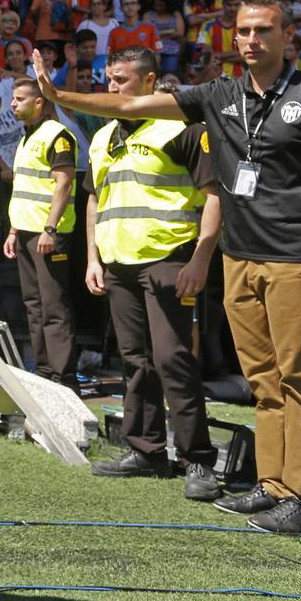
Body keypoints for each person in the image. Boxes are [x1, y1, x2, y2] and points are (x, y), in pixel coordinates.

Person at [33, 0, 301, 534]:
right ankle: (275, 485)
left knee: (299, 378)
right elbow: (129, 107)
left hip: (295, 258)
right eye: (243, 31)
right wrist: (59, 93)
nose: (252, 40)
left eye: (263, 30)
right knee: (263, 379)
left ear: (287, 37)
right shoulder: (220, 94)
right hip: (240, 257)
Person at [85, 46, 222, 499]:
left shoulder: (182, 127)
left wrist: (200, 259)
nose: (112, 87)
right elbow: (94, 199)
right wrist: (92, 258)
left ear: (148, 83)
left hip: (169, 260)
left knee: (172, 359)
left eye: (121, 80)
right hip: (118, 263)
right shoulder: (102, 136)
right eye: (109, 78)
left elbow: (214, 195)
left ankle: (198, 460)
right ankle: (146, 451)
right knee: (134, 361)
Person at [2, 78, 79, 387]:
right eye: (13, 98)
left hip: (48, 234)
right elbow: (25, 190)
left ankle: (64, 377)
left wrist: (50, 229)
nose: (12, 103)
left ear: (38, 103)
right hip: (26, 233)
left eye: (19, 98)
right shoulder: (26, 138)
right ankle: (45, 373)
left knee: (54, 306)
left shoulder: (57, 135)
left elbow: (64, 184)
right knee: (34, 306)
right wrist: (13, 231)